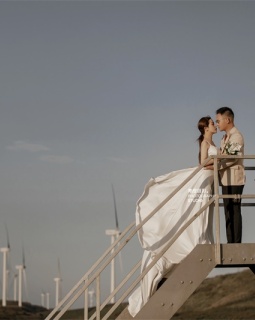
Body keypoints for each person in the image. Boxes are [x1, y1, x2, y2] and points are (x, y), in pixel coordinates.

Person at [128, 116, 218, 317]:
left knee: (203, 212)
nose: (215, 125)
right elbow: (203, 162)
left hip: (210, 181)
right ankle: (197, 238)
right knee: (197, 210)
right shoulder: (205, 142)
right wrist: (218, 164)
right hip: (204, 179)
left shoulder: (213, 142)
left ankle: (201, 236)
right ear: (205, 127)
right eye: (212, 123)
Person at [216, 107, 245, 243]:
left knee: (234, 210)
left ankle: (236, 242)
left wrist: (216, 165)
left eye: (218, 121)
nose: (217, 124)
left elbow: (231, 158)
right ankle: (230, 241)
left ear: (227, 120)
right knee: (228, 211)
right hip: (226, 179)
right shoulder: (224, 138)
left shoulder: (236, 136)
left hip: (235, 179)